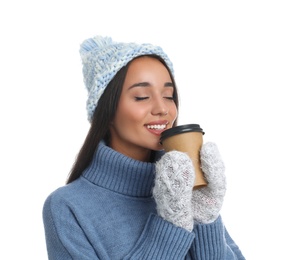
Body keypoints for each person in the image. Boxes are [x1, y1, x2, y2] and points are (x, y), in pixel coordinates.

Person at [42, 35, 245, 260]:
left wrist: (206, 218)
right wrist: (170, 225)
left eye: (169, 96)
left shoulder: (188, 187)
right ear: (106, 110)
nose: (163, 108)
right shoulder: (67, 207)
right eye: (142, 97)